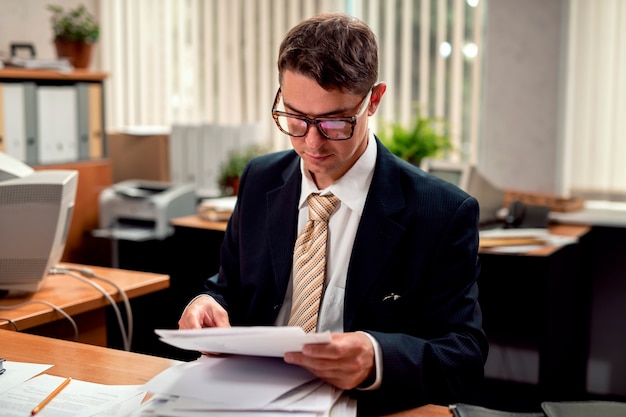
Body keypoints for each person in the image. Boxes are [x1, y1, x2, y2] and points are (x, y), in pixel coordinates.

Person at [178, 12, 488, 416]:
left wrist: (377, 356)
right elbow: (229, 288)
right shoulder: (260, 178)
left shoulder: (442, 211)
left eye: (334, 122)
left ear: (373, 101)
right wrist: (205, 302)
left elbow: (463, 356)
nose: (311, 143)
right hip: (248, 400)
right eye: (295, 117)